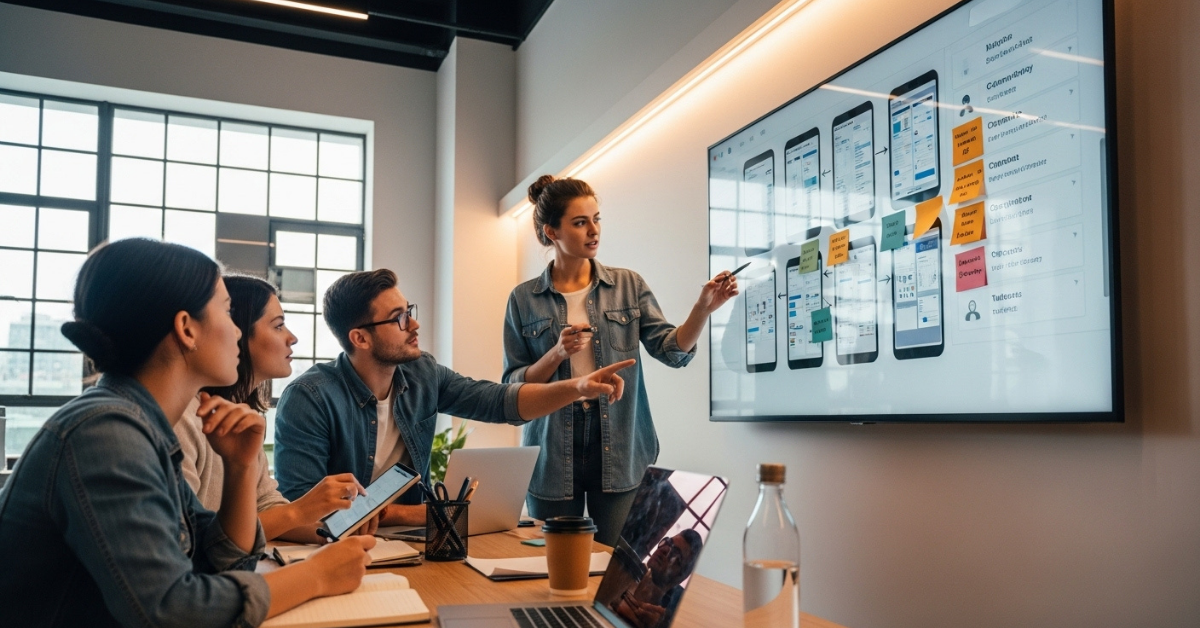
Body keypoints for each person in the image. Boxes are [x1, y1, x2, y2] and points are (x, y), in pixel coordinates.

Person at [0, 239, 375, 627]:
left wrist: (240, 467)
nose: (236, 333)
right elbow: (172, 611)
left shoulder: (142, 424)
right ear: (186, 329)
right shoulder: (106, 432)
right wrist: (314, 576)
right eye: (228, 313)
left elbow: (221, 559)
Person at [274, 269, 635, 526]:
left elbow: (498, 401)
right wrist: (411, 514)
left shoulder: (422, 374)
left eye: (410, 312)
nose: (414, 325)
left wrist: (578, 388)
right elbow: (301, 509)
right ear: (360, 339)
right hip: (345, 546)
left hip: (417, 538)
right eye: (399, 319)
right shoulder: (309, 398)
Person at [502, 175, 738, 546]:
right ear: (552, 231)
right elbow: (513, 387)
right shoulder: (523, 299)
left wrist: (702, 310)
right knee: (549, 565)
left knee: (614, 567)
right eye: (580, 223)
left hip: (621, 443)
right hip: (550, 448)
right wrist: (557, 353)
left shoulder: (629, 285)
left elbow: (672, 351)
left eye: (597, 219)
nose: (594, 231)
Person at [174, 274, 375, 544]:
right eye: (278, 326)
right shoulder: (183, 419)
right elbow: (189, 539)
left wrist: (333, 530)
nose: (292, 338)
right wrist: (299, 510)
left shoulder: (244, 416)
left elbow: (265, 505)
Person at [611, 530, 704, 628]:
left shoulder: (666, 617)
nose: (664, 549)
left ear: (681, 576)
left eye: (675, 553)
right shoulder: (627, 569)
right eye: (668, 542)